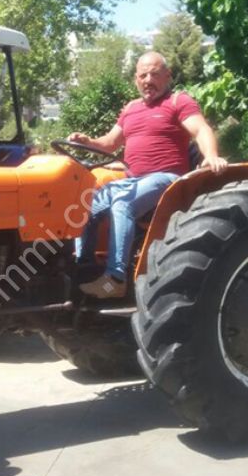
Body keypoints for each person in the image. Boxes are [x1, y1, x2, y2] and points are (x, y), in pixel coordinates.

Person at [69, 51, 228, 299]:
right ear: (136, 79)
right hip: (133, 180)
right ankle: (84, 267)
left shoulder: (178, 101)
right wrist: (88, 141)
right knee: (84, 207)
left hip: (166, 178)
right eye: (143, 75)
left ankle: (115, 280)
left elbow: (200, 129)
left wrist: (211, 155)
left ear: (167, 76)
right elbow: (110, 143)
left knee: (122, 203)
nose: (148, 80)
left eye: (154, 74)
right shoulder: (131, 108)